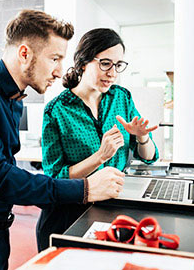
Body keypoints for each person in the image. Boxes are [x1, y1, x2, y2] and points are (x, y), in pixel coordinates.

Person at [0, 10, 125, 270]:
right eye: (54, 58)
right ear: (24, 54)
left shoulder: (14, 101)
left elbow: (8, 174)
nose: (59, 71)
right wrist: (84, 189)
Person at [36, 28, 160, 251]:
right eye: (105, 63)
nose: (112, 73)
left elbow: (149, 157)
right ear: (83, 62)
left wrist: (142, 137)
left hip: (114, 209)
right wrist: (100, 156)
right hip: (70, 215)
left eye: (118, 65)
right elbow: (55, 177)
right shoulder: (56, 110)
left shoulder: (121, 97)